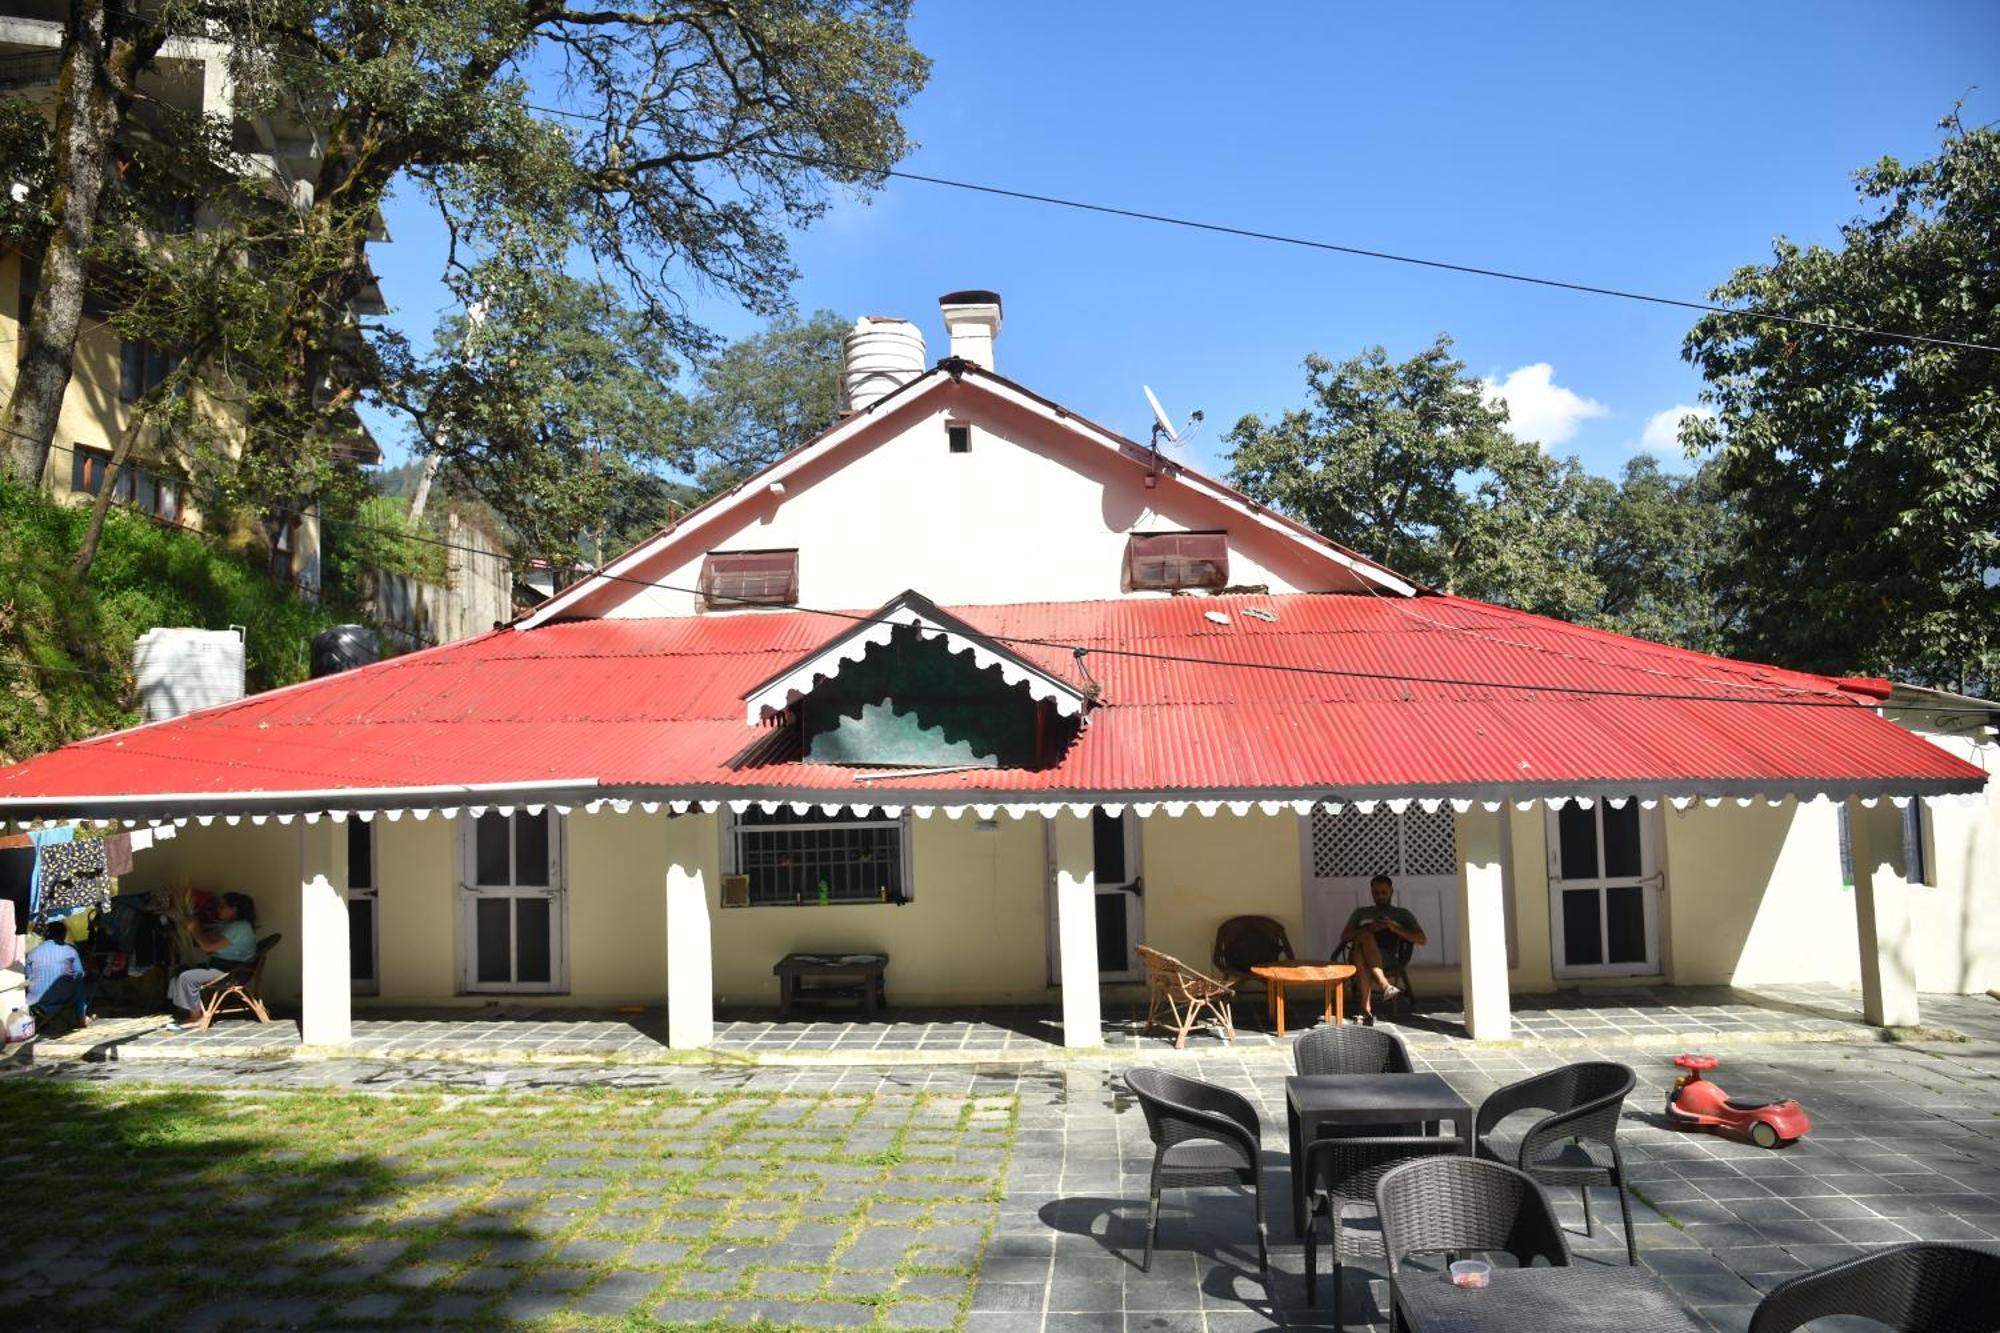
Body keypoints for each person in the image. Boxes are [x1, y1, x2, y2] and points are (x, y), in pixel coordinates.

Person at [1337, 874, 1426, 1024]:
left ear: (1391, 892)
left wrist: (1394, 928)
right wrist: (1367, 927)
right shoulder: (1361, 912)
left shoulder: (1401, 914)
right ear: (1371, 893)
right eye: (1376, 893)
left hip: (1387, 957)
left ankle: (1365, 1011)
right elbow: (1345, 936)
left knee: (1361, 956)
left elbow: (1421, 939)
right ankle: (1385, 985)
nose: (1380, 896)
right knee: (1365, 937)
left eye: (1384, 892)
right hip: (1359, 955)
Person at [167, 892, 259, 1031]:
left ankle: (196, 1017)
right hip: (222, 968)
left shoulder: (240, 927)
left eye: (222, 907)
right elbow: (209, 943)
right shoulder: (229, 925)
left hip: (231, 972)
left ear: (234, 909)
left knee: (187, 977)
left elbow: (207, 947)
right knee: (179, 971)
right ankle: (188, 1010)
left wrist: (195, 928)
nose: (218, 909)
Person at [24, 919, 93, 1030]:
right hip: (63, 998)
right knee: (80, 984)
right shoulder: (70, 950)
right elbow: (79, 974)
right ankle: (81, 1018)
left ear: (45, 935)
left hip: (35, 1001)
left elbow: (27, 976)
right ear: (63, 935)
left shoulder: (33, 953)